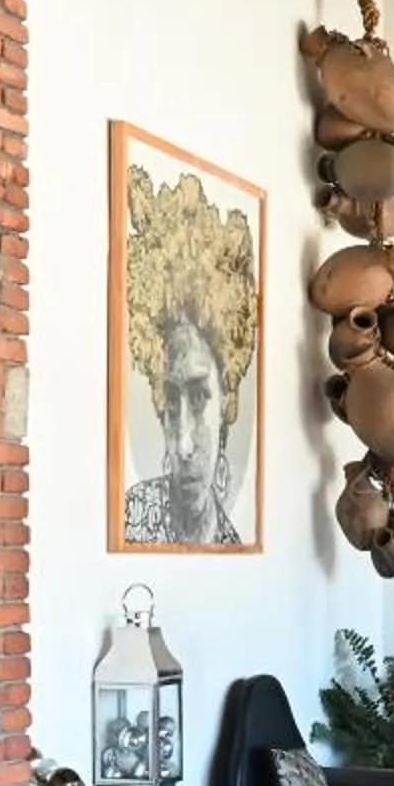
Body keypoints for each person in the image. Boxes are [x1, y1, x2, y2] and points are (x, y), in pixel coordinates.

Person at [119, 162, 259, 547]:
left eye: (199, 397)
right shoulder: (133, 519)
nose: (182, 443)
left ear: (228, 399)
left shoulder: (231, 542)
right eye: (171, 402)